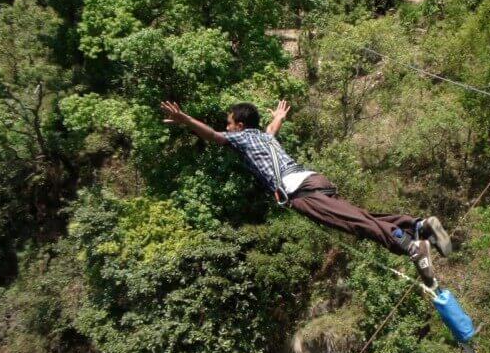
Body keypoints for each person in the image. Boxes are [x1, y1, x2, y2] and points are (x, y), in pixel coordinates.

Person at [158, 100, 453, 287]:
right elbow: (272, 129)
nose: (227, 127)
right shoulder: (262, 136)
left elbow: (212, 135)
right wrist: (279, 117)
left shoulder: (241, 138)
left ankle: (411, 247)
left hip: (298, 191)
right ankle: (418, 227)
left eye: (229, 122)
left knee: (354, 223)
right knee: (358, 215)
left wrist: (185, 120)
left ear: (239, 125)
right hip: (313, 179)